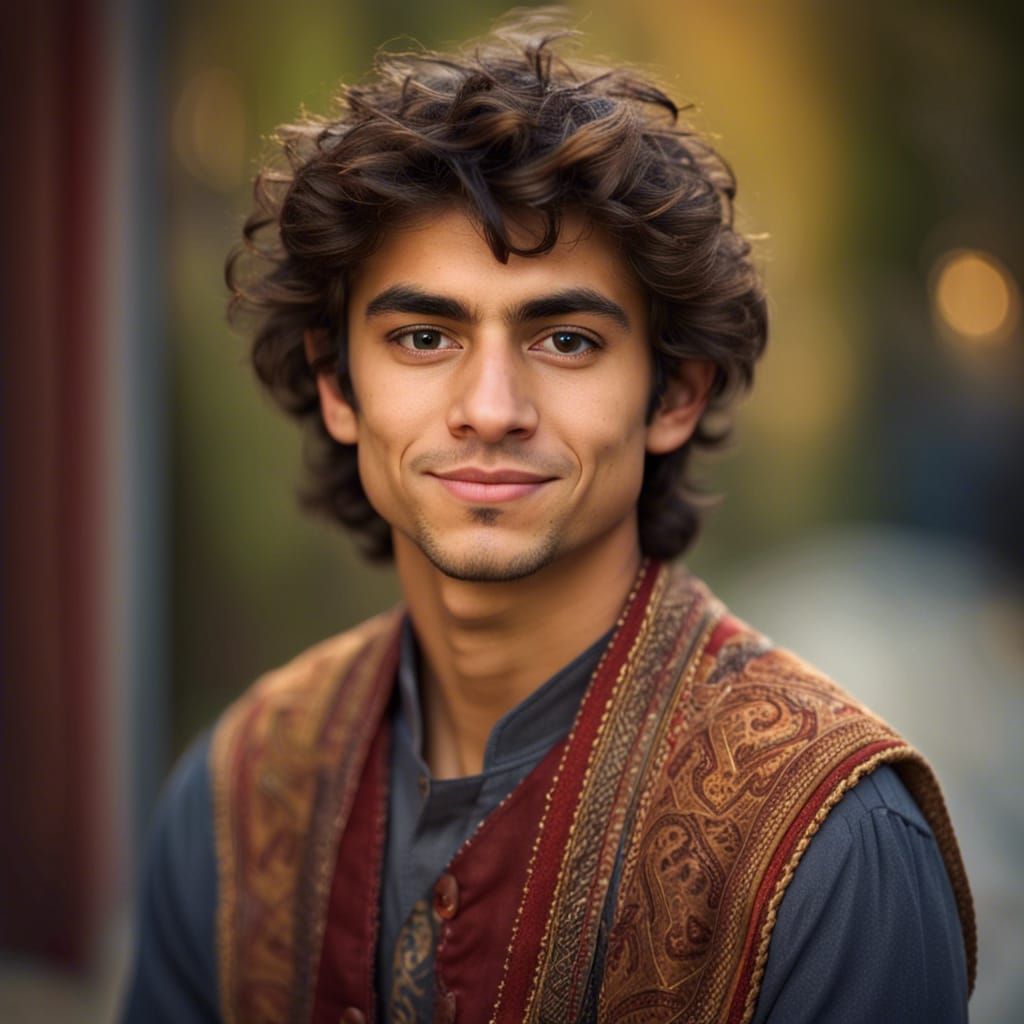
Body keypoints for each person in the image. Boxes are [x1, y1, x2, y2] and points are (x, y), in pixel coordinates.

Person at [122, 11, 975, 1023]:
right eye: (424, 335)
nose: (490, 406)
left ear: (674, 395)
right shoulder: (235, 794)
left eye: (565, 339)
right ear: (337, 384)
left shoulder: (831, 841)